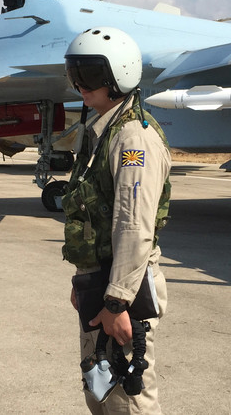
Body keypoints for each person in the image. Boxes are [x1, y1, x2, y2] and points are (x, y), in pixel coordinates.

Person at [62, 27, 171, 414]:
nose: (80, 87)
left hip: (124, 287)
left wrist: (116, 302)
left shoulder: (132, 139)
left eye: (89, 76)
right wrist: (85, 281)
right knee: (100, 391)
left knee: (128, 402)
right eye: (74, 76)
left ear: (118, 76)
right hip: (101, 283)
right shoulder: (100, 132)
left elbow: (133, 226)